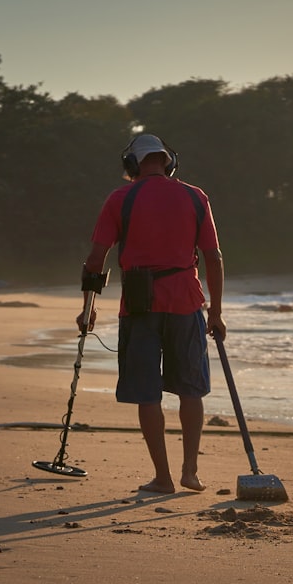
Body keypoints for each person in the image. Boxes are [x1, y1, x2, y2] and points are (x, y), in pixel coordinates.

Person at [78, 133, 225, 494]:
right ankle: (190, 471)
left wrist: (87, 309)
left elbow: (97, 259)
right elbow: (214, 258)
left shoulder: (120, 198)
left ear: (132, 165)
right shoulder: (195, 195)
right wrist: (216, 313)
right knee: (191, 390)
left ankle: (163, 478)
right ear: (168, 162)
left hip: (139, 305)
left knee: (148, 394)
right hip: (187, 301)